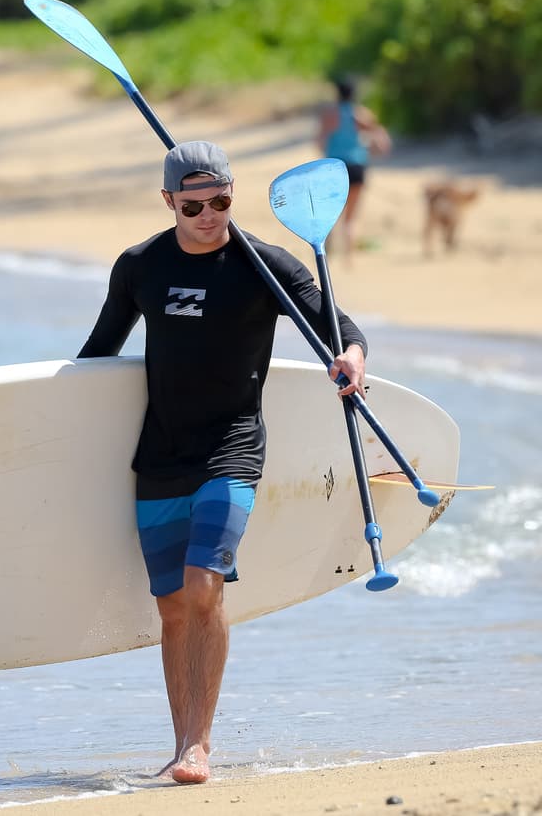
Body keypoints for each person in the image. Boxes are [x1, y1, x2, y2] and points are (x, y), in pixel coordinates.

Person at [77, 140, 368, 784]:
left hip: (233, 447)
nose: (211, 215)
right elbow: (98, 354)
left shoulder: (264, 266)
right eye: (194, 205)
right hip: (161, 452)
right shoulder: (141, 266)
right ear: (168, 202)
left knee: (204, 585)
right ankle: (182, 740)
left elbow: (335, 323)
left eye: (222, 201)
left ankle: (198, 748)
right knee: (173, 606)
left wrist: (350, 355)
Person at [315, 75, 392, 266]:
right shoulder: (360, 114)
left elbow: (320, 141)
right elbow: (381, 139)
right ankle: (349, 257)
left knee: (332, 211)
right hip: (357, 165)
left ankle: (328, 254)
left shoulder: (330, 115)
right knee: (352, 216)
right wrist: (370, 150)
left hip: (335, 166)